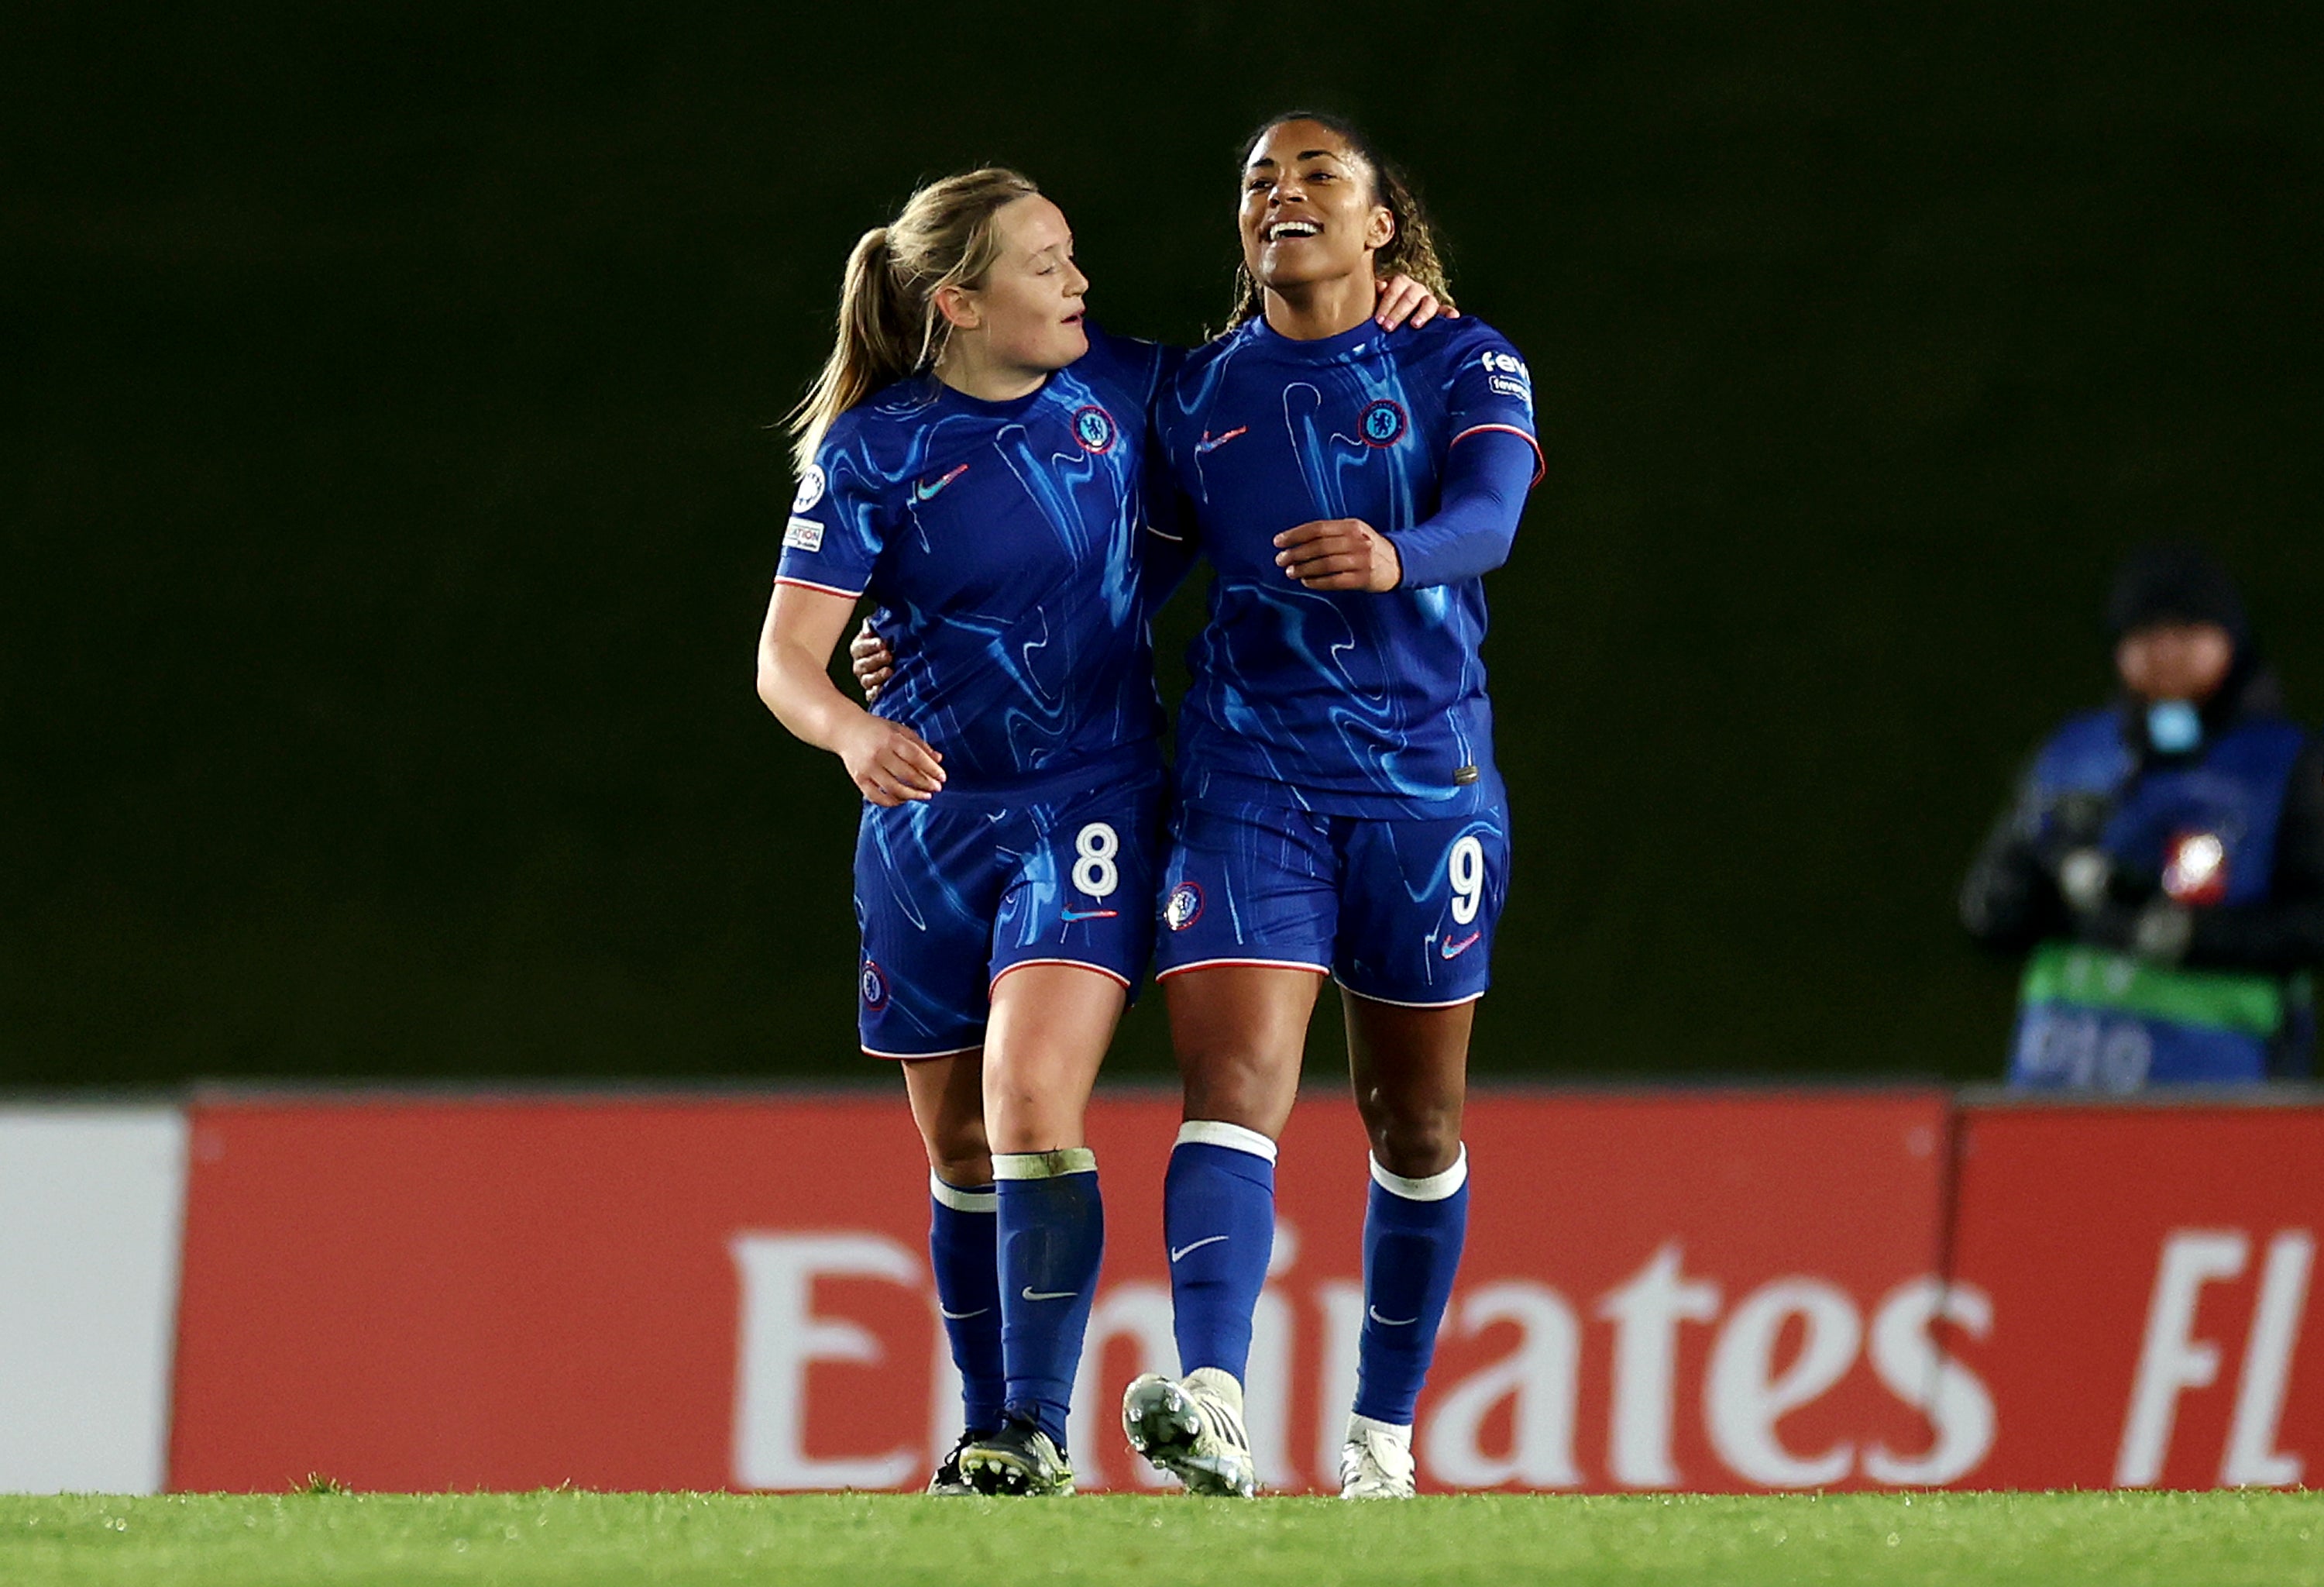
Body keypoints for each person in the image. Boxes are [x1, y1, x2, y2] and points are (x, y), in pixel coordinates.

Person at [761, 168, 1445, 1497]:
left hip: (1091, 800)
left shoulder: (1125, 388)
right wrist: (852, 729)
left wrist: (1399, 295)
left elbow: (1278, 367)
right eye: (1045, 264)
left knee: (1028, 1095)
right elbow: (787, 658)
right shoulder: (873, 447)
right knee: (961, 1146)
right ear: (959, 302)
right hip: (928, 825)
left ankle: (1034, 1419)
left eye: (1073, 257)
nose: (1080, 283)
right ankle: (992, 1431)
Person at [1119, 112, 1543, 1501]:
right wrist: (914, 654)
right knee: (1232, 1082)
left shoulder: (1461, 357)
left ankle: (1381, 1437)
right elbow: (1117, 579)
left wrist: (1394, 554)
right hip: (1255, 774)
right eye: (1256, 179)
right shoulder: (1193, 396)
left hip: (1430, 788)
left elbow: (1490, 523)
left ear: (1380, 226)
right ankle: (1218, 1401)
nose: (1282, 193)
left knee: (1412, 1123)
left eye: (1318, 176)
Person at [1960, 544, 2324, 1088]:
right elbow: (1988, 916)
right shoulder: (2074, 753)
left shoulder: (2290, 766)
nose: (2166, 653)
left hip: (2220, 1098)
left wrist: (2184, 935)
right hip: (2055, 1093)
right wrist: (2043, 864)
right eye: (2146, 636)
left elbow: (2313, 925)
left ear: (2231, 640)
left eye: (2188, 633)